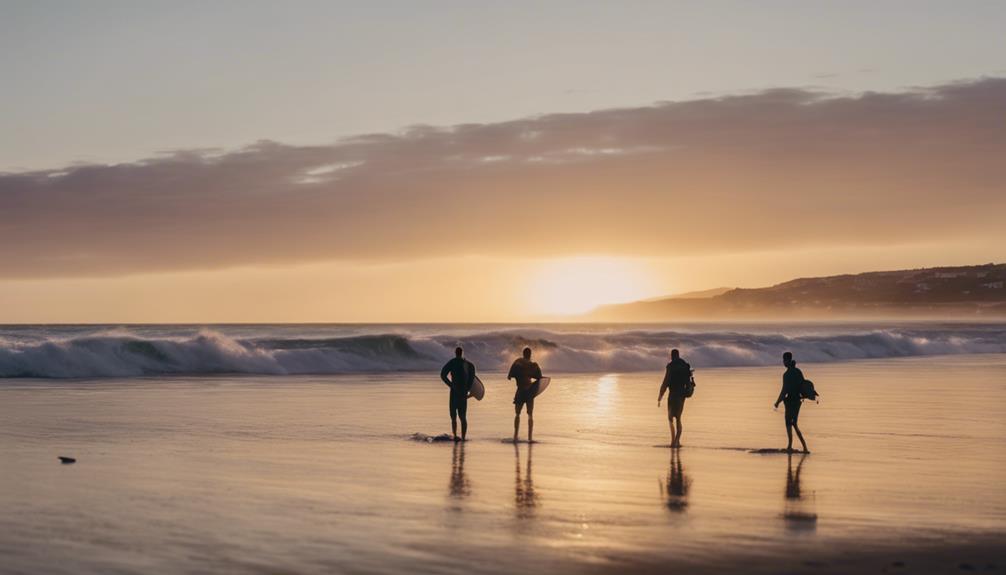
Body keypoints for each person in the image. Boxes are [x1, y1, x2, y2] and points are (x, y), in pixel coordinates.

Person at [774, 351, 810, 453]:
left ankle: (790, 446)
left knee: (788, 423)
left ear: (787, 360)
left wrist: (777, 402)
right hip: (798, 401)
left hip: (790, 401)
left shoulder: (786, 375)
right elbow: (803, 385)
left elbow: (784, 391)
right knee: (794, 423)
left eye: (784, 360)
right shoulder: (798, 371)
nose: (783, 362)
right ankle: (805, 447)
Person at [440, 346, 476, 442]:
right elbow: (472, 378)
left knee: (453, 416)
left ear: (455, 353)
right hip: (463, 392)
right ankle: (463, 438)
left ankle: (455, 436)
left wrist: (450, 385)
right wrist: (467, 389)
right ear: (462, 353)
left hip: (454, 392)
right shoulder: (469, 365)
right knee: (463, 416)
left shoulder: (452, 362)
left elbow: (442, 374)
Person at [657, 348, 692, 448]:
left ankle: (673, 441)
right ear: (678, 355)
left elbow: (666, 382)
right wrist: (688, 391)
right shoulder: (684, 365)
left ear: (672, 356)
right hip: (681, 395)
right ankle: (676, 441)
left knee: (670, 418)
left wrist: (660, 395)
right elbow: (688, 382)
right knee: (678, 418)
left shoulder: (671, 366)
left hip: (672, 395)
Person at [507, 347, 542, 443]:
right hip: (530, 391)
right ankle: (530, 437)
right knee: (530, 415)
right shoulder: (533, 365)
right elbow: (540, 378)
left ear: (523, 354)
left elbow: (509, 376)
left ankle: (515, 436)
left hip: (520, 391)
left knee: (517, 414)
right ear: (530, 354)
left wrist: (515, 375)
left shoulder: (518, 363)